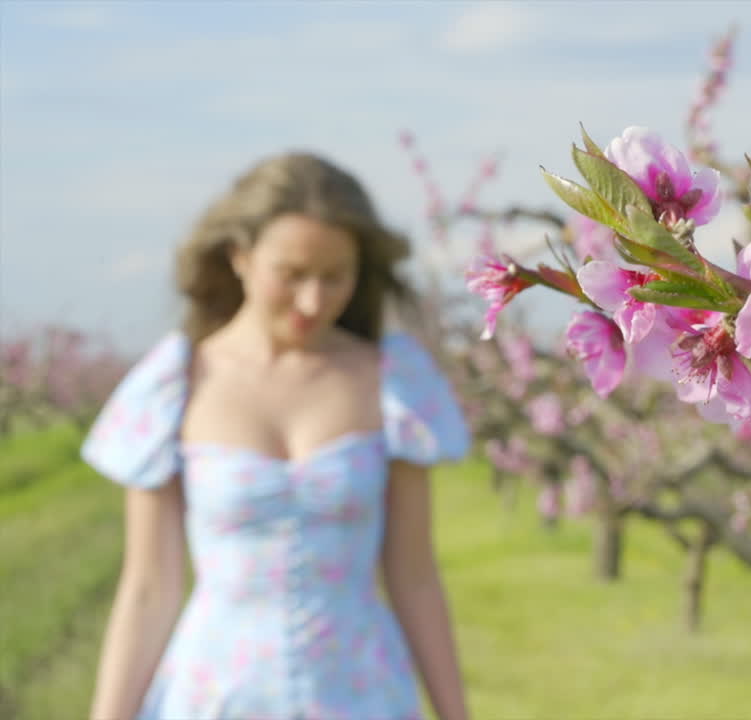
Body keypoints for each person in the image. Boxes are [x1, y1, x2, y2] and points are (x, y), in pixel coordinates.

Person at [81, 152, 472, 720]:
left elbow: (413, 576)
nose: (313, 301)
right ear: (239, 257)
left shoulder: (393, 382)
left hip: (361, 691)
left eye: (335, 276)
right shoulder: (176, 385)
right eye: (291, 275)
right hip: (216, 694)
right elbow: (148, 588)